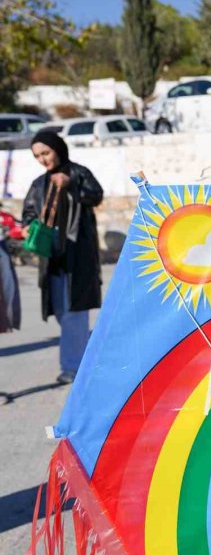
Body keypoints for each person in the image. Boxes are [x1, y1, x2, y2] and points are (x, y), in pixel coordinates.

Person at [22, 131, 103, 383]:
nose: (43, 160)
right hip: (52, 257)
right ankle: (84, 356)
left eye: (46, 153)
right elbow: (28, 212)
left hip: (76, 255)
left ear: (58, 148)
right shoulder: (38, 184)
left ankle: (73, 368)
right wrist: (27, 226)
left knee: (73, 312)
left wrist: (71, 184)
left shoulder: (78, 173)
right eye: (37, 156)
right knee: (60, 310)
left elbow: (95, 195)